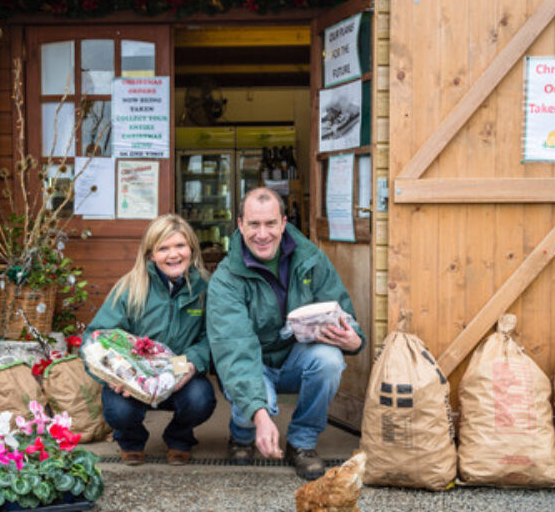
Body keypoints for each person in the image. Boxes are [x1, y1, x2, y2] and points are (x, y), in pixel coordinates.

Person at [207, 187, 365, 480]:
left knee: (329, 360)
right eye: (253, 224)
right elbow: (235, 350)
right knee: (255, 402)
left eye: (270, 224)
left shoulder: (311, 259)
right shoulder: (226, 279)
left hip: (295, 357)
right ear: (240, 225)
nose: (262, 234)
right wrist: (260, 415)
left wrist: (355, 340)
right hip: (252, 363)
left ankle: (302, 443)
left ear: (283, 222)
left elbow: (343, 312)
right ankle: (242, 434)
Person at [84, 213, 216, 466]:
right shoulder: (130, 287)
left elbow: (212, 337)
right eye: (163, 248)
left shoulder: (204, 288)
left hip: (178, 370)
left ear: (191, 248)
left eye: (180, 246)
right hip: (135, 374)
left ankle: (179, 438)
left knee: (201, 399)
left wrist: (189, 365)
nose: (173, 255)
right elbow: (95, 337)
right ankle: (131, 439)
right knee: (118, 410)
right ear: (150, 254)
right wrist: (115, 373)